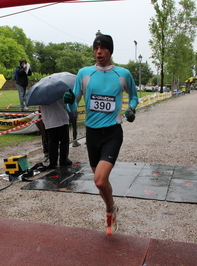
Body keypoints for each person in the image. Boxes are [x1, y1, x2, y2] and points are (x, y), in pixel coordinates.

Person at [63, 34, 138, 235]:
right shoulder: (84, 73)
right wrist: (69, 99)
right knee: (100, 182)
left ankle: (109, 210)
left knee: (99, 180)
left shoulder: (123, 74)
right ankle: (112, 208)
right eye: (96, 48)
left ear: (110, 51)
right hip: (92, 134)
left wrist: (131, 109)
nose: (99, 52)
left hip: (112, 132)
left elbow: (134, 96)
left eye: (103, 48)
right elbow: (73, 103)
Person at [40, 99, 72, 169]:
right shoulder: (58, 93)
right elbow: (65, 105)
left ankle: (53, 162)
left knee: (52, 143)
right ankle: (63, 160)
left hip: (49, 122)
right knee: (64, 142)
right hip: (61, 120)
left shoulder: (41, 97)